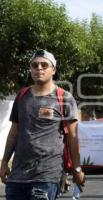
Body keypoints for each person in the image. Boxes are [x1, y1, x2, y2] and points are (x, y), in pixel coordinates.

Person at [0, 49, 85, 200]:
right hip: (17, 176)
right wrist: (4, 162)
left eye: (44, 65)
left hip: (47, 176)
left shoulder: (64, 97)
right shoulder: (22, 96)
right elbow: (14, 132)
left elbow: (73, 136)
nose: (39, 68)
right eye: (35, 65)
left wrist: (77, 169)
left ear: (54, 70)